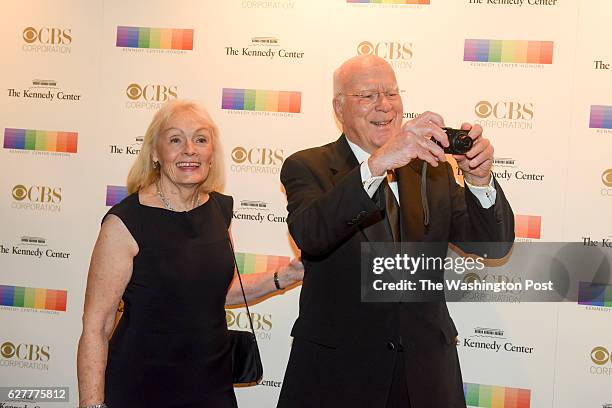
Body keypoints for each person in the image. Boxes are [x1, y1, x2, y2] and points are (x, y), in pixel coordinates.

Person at [277, 55, 514, 408]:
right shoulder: (307, 166)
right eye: (367, 95)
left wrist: (479, 181)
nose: (384, 105)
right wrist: (377, 165)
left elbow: (492, 247)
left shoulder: (433, 170)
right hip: (340, 377)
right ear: (338, 107)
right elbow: (312, 235)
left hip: (426, 377)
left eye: (391, 93)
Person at [77, 99, 303, 408]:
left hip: (211, 384)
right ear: (155, 152)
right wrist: (91, 405)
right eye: (175, 140)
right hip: (141, 386)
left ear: (212, 152)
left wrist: (286, 276)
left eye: (200, 139)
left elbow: (215, 293)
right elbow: (97, 325)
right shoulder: (125, 222)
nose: (189, 150)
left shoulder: (219, 211)